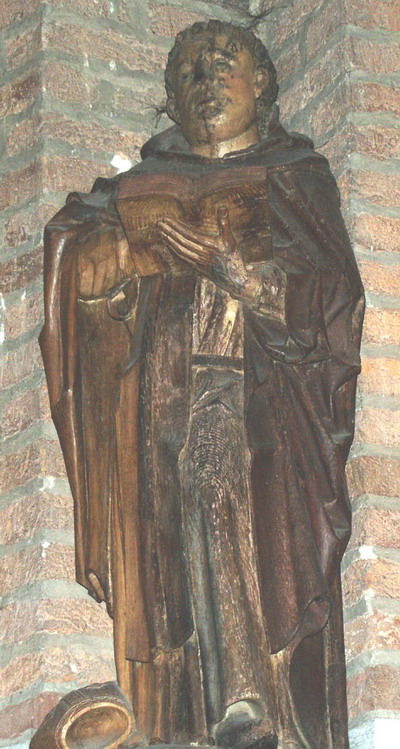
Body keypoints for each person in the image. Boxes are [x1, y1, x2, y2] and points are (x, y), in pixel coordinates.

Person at [40, 20, 364, 749]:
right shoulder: (131, 190)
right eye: (188, 71)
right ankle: (185, 707)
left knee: (214, 484)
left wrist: (238, 274)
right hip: (150, 396)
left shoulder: (295, 176)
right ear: (169, 98)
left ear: (263, 85)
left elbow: (332, 307)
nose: (206, 81)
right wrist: (107, 264)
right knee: (163, 540)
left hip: (248, 393)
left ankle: (248, 696)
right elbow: (78, 281)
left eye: (224, 64)